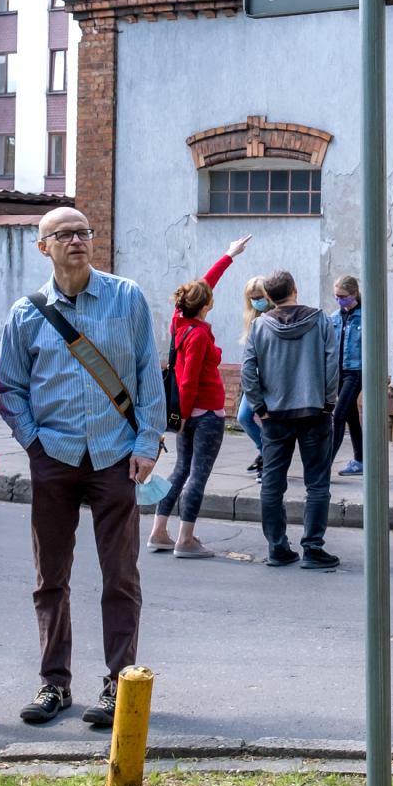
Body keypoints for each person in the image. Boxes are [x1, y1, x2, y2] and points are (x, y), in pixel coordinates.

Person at [0, 207, 167, 728]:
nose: (77, 240)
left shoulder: (126, 297)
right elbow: (11, 388)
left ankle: (119, 683)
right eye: (65, 234)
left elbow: (148, 375)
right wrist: (34, 444)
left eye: (84, 232)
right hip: (56, 457)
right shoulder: (26, 313)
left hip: (116, 457)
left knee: (121, 576)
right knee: (51, 576)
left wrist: (147, 442)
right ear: (43, 246)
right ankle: (54, 683)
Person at [147, 236, 250, 559]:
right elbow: (189, 379)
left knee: (180, 470)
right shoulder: (200, 335)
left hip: (187, 414)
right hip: (203, 415)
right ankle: (185, 539)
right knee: (197, 475)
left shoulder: (180, 322)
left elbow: (204, 285)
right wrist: (188, 416)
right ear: (205, 306)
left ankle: (159, 532)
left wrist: (228, 255)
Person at [241, 269, 341, 571]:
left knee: (272, 484)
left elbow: (248, 371)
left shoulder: (259, 327)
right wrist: (328, 402)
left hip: (275, 416)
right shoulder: (320, 320)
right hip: (314, 411)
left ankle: (277, 547)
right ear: (294, 289)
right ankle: (313, 548)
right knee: (317, 484)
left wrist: (259, 407)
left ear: (269, 297)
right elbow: (332, 362)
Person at [330, 274, 365, 479]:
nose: (339, 300)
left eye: (342, 296)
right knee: (351, 417)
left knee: (338, 415)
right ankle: (360, 460)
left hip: (356, 371)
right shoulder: (334, 317)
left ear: (353, 294)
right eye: (336, 296)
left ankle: (324, 465)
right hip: (338, 372)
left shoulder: (365, 316)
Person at [238, 277, 271, 475]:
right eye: (252, 298)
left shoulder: (273, 316)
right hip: (254, 378)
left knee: (267, 421)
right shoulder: (252, 317)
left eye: (259, 297)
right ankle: (265, 452)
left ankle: (268, 458)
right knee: (244, 418)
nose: (256, 301)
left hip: (269, 378)